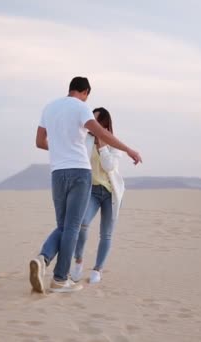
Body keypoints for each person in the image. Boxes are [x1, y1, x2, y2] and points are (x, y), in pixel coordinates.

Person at [29, 77, 142, 294]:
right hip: (79, 172)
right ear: (85, 92)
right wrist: (129, 150)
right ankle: (60, 279)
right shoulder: (82, 107)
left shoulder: (49, 107)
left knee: (63, 226)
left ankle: (43, 258)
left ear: (69, 89)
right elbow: (101, 133)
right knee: (72, 227)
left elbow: (40, 142)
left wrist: (60, 148)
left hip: (57, 173)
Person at [70, 107, 124, 284]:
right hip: (91, 191)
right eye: (91, 121)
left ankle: (98, 269)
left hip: (110, 193)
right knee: (83, 224)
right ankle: (78, 261)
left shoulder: (114, 143)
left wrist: (102, 146)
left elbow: (109, 167)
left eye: (97, 121)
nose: (92, 124)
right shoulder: (86, 140)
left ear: (105, 124)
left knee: (106, 234)